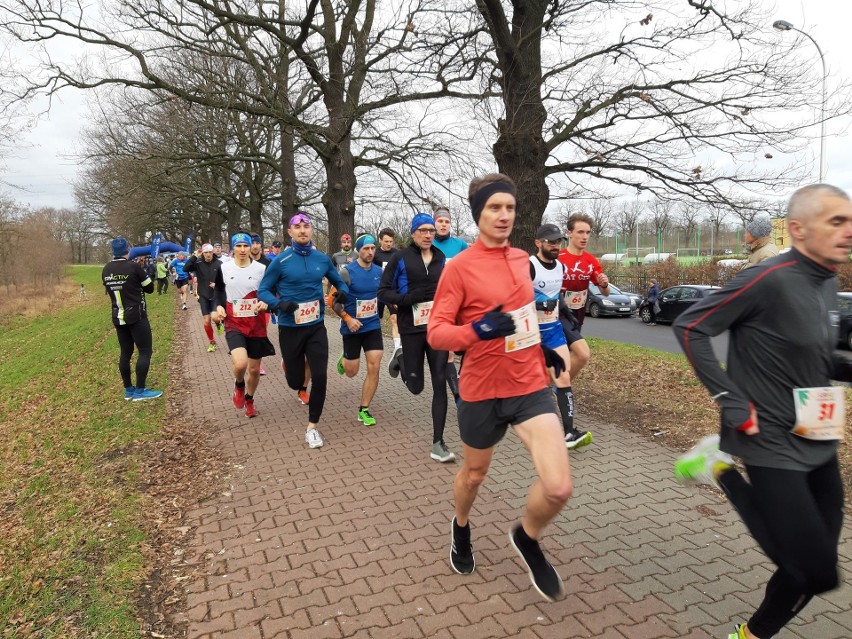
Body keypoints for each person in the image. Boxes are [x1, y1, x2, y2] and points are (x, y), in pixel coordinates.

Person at [672, 184, 852, 639]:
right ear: (798, 229)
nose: (848, 231)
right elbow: (690, 325)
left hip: (817, 431)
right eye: (836, 221)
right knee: (815, 569)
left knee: (811, 569)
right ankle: (719, 466)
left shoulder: (827, 280)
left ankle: (751, 635)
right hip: (766, 434)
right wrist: (729, 400)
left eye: (850, 221)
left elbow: (816, 356)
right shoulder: (767, 277)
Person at [428, 173, 572, 601]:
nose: (504, 215)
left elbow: (525, 313)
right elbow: (437, 333)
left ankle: (527, 537)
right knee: (474, 475)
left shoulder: (522, 259)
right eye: (495, 207)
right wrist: (477, 330)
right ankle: (460, 526)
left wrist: (541, 347)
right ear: (478, 215)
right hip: (481, 388)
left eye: (510, 207)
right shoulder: (459, 269)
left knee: (559, 486)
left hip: (528, 383)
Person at [258, 212, 349, 449]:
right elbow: (263, 291)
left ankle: (312, 427)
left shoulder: (321, 258)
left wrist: (340, 291)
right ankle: (290, 366)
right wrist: (279, 304)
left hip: (316, 327)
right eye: (297, 226)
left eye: (306, 226)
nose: (302, 230)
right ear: (290, 232)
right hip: (290, 328)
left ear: (311, 230)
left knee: (320, 376)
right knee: (295, 381)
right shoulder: (281, 261)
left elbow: (338, 281)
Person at [379, 213, 454, 463]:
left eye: (431, 230)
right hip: (410, 329)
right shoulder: (400, 258)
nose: (428, 234)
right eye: (422, 230)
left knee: (440, 381)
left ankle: (438, 443)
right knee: (416, 387)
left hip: (436, 329)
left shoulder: (440, 257)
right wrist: (406, 299)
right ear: (412, 233)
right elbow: (383, 292)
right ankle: (400, 356)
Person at [531, 223, 592, 449]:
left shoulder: (559, 267)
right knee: (531, 381)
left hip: (554, 330)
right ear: (538, 243)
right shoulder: (530, 266)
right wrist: (538, 303)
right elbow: (514, 299)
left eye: (558, 242)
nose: (556, 246)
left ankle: (568, 433)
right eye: (550, 242)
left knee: (563, 378)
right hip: (531, 333)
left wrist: (565, 311)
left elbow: (556, 296)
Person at [212, 232, 275, 418]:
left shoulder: (261, 269)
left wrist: (266, 302)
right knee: (241, 364)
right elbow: (218, 290)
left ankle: (249, 398)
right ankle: (239, 384)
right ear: (233, 248)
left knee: (254, 370)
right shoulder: (224, 268)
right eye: (238, 246)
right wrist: (218, 306)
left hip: (256, 324)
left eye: (245, 246)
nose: (242, 250)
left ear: (250, 248)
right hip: (234, 322)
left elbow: (269, 292)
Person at [329, 234, 384, 427]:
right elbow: (332, 301)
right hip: (352, 327)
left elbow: (383, 295)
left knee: (375, 366)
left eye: (372, 248)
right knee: (352, 372)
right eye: (365, 249)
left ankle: (364, 409)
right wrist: (348, 319)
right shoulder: (347, 272)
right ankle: (345, 361)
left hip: (372, 326)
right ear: (358, 251)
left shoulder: (379, 271)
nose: (370, 252)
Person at [101, 237, 163, 401]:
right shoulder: (134, 267)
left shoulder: (106, 269)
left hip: (118, 316)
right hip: (137, 315)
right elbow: (149, 288)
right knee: (145, 351)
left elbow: (108, 289)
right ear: (128, 249)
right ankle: (140, 391)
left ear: (113, 251)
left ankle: (128, 390)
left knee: (125, 353)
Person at [557, 213, 611, 381]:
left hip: (577, 315)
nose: (585, 236)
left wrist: (604, 284)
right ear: (569, 233)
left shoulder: (591, 261)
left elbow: (605, 293)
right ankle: (561, 387)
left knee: (567, 356)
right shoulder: (558, 259)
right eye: (580, 232)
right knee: (581, 353)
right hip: (558, 314)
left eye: (588, 232)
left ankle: (552, 386)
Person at [432, 207, 469, 407]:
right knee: (448, 352)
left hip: (462, 303)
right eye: (440, 221)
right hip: (440, 304)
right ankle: (458, 396)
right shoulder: (429, 244)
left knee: (468, 345)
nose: (443, 224)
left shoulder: (460, 245)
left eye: (447, 221)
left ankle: (464, 379)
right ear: (434, 223)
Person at [184, 243, 225, 352]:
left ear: (213, 252)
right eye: (205, 252)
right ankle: (212, 342)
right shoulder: (198, 263)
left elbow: (226, 281)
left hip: (216, 295)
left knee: (215, 317)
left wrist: (217, 285)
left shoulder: (219, 263)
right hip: (203, 295)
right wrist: (194, 256)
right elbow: (185, 268)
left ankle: (218, 324)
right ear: (202, 253)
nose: (208, 255)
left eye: (210, 252)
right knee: (206, 321)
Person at [374, 227, 403, 376]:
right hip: (378, 292)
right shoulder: (374, 253)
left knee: (394, 319)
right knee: (376, 318)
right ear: (380, 240)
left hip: (392, 292)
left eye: (391, 241)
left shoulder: (397, 254)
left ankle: (398, 348)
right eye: (386, 241)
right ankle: (375, 344)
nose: (389, 244)